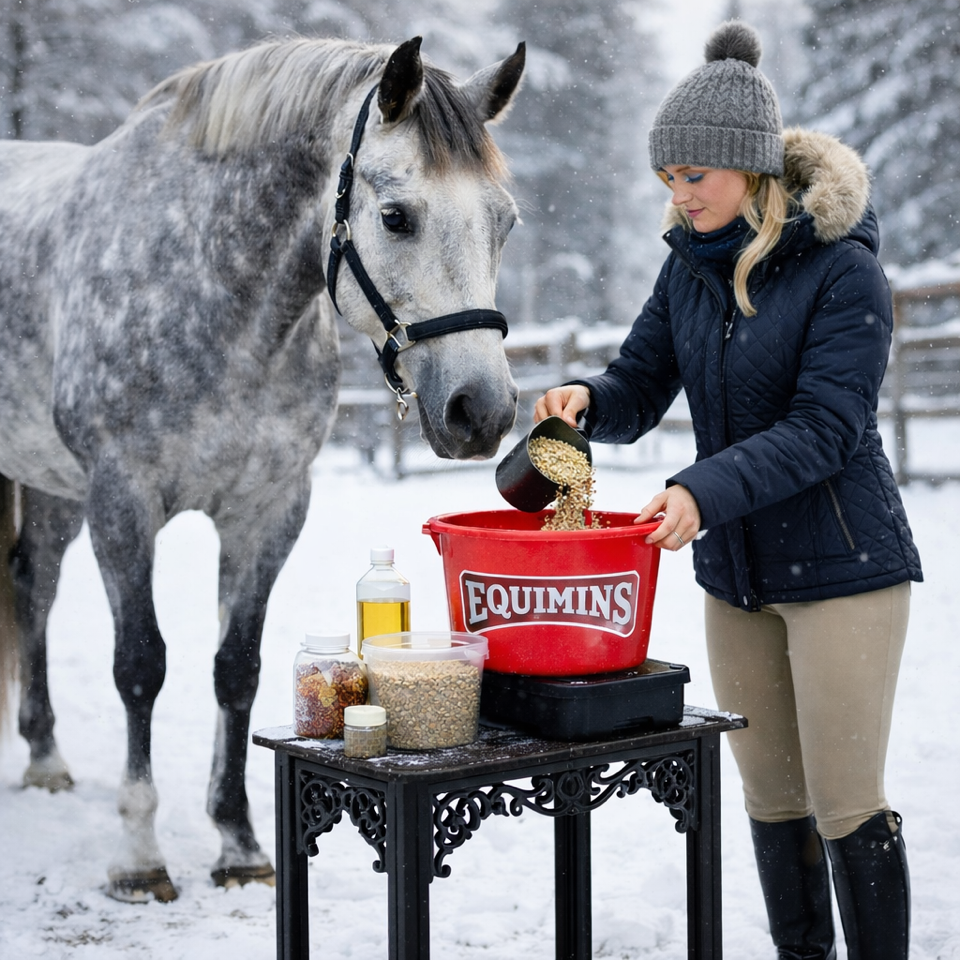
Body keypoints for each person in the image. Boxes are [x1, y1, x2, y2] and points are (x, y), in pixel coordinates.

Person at [535, 20, 920, 960]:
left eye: (696, 175)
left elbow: (828, 429)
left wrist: (703, 489)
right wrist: (591, 396)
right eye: (668, 177)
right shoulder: (688, 270)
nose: (679, 193)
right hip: (736, 572)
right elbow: (639, 381)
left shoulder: (844, 272)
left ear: (749, 167)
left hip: (844, 569)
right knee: (772, 798)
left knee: (843, 800)